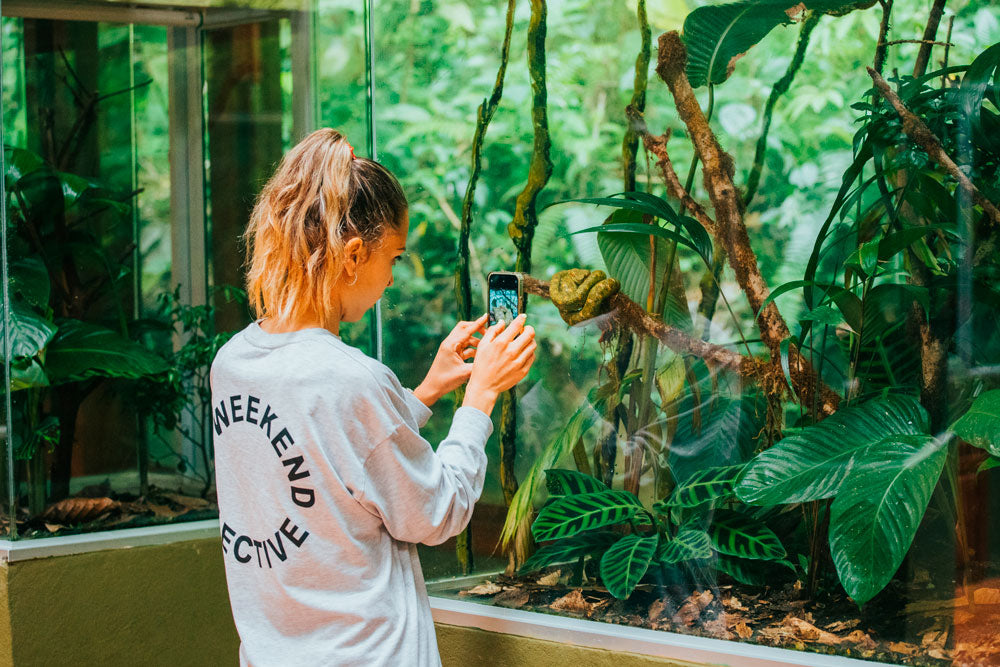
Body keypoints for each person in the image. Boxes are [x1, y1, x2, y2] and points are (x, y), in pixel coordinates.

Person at [210, 128, 536, 666]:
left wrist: (428, 389)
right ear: (353, 256)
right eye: (394, 258)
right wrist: (480, 397)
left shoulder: (234, 363)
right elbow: (438, 512)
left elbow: (327, 453)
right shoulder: (350, 380)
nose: (390, 279)